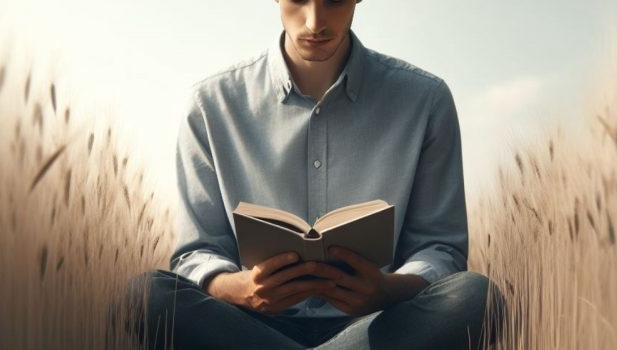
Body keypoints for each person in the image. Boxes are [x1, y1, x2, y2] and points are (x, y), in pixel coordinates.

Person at [125, 0, 504, 348]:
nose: (314, 22)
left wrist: (387, 290)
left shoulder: (426, 100)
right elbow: (198, 251)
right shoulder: (211, 103)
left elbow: (439, 247)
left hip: (379, 325)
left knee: (477, 297)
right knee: (145, 296)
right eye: (299, 0)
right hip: (248, 323)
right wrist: (240, 288)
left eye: (334, 0)